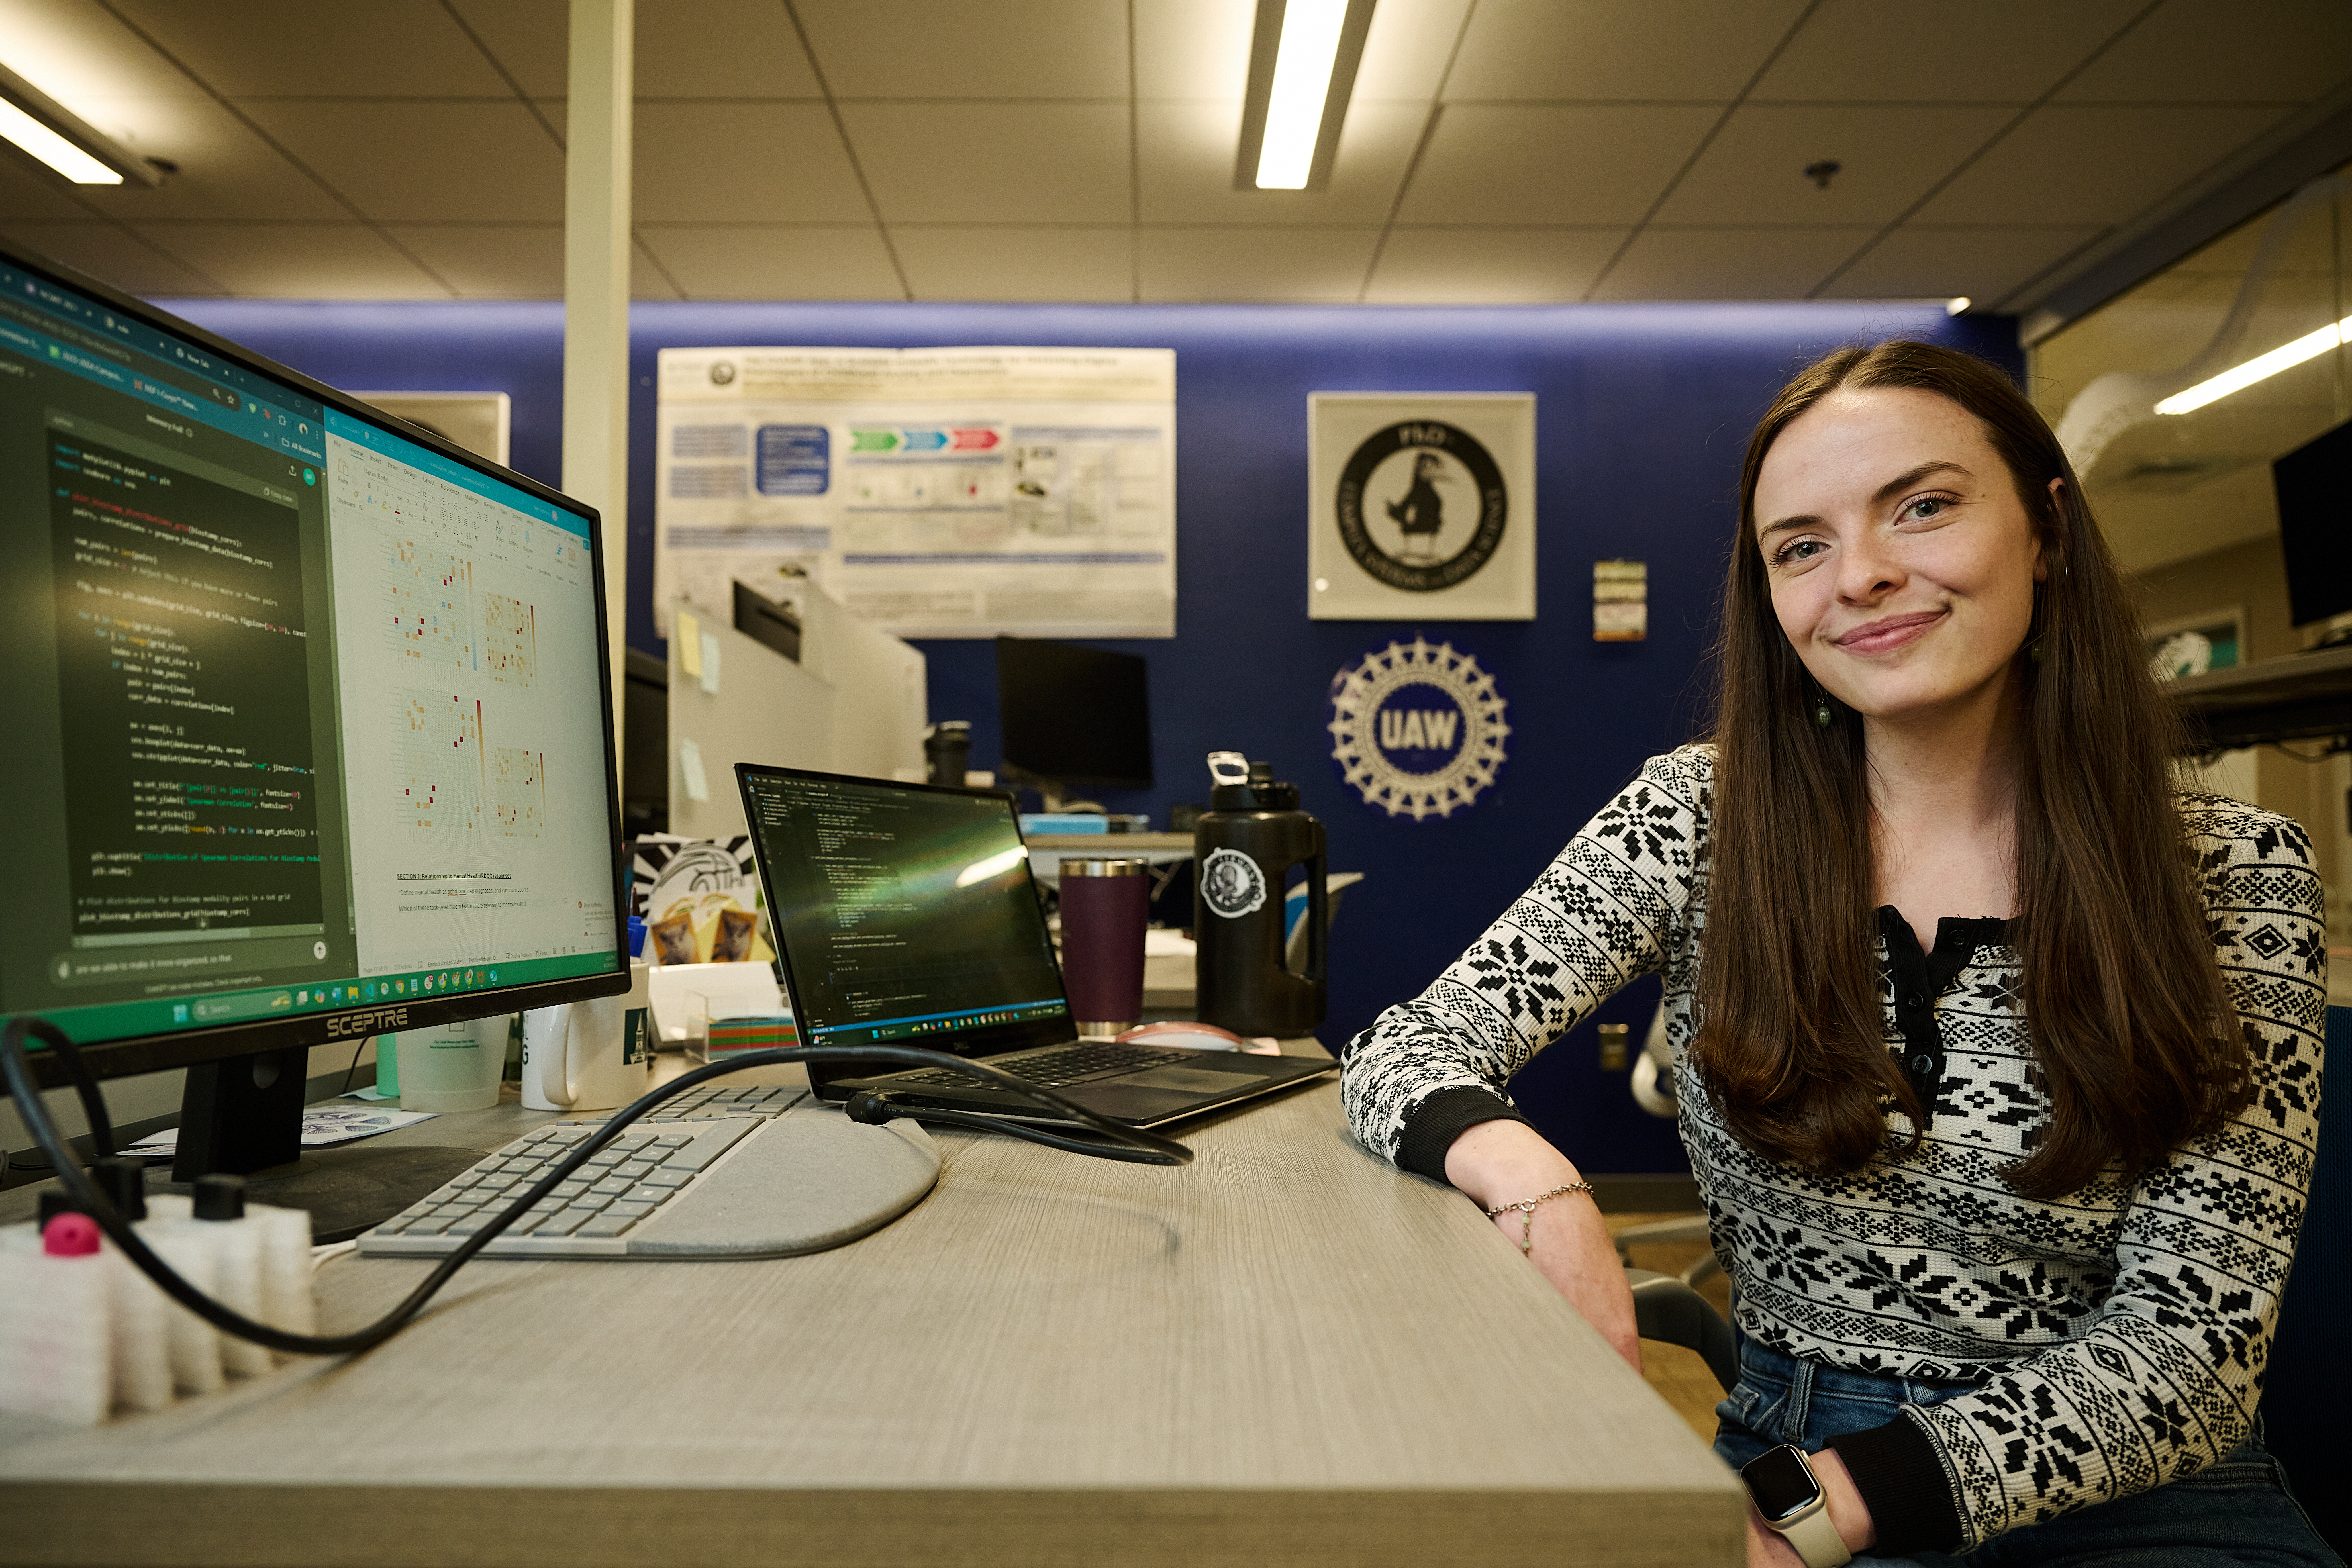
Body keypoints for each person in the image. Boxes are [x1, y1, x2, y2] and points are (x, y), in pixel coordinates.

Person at [1342, 340, 2335, 1568]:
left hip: (2133, 1497)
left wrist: (1837, 1505)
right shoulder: (1697, 816)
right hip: (1786, 1442)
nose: (1860, 576)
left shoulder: (2235, 872)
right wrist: (1539, 1185)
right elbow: (1406, 1044)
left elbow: (2196, 1346)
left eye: (1922, 506)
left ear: (2049, 529)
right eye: (1801, 545)